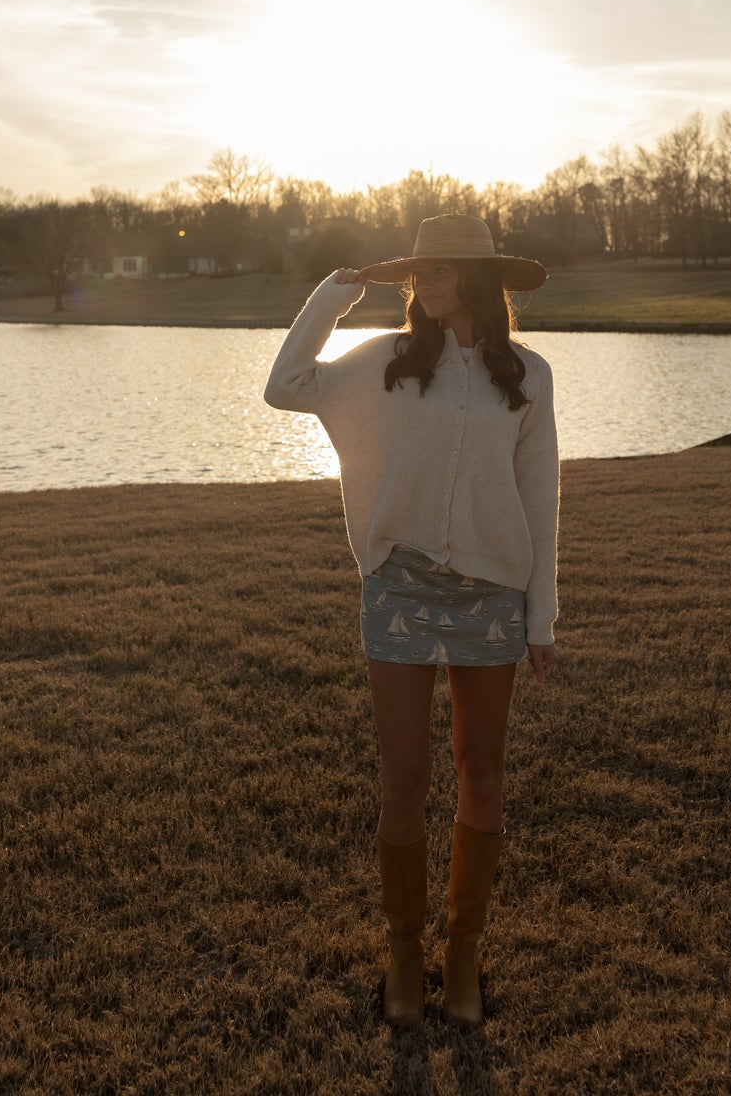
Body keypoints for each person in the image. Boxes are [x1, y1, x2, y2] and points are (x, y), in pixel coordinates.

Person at [263, 214, 560, 1029]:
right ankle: (404, 952)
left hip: (494, 593)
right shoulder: (385, 364)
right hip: (398, 588)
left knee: (482, 771)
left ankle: (461, 954)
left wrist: (542, 616)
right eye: (415, 272)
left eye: (439, 270)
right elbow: (284, 386)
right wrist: (336, 293)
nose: (422, 284)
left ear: (478, 280)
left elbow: (540, 494)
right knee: (404, 779)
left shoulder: (528, 375)